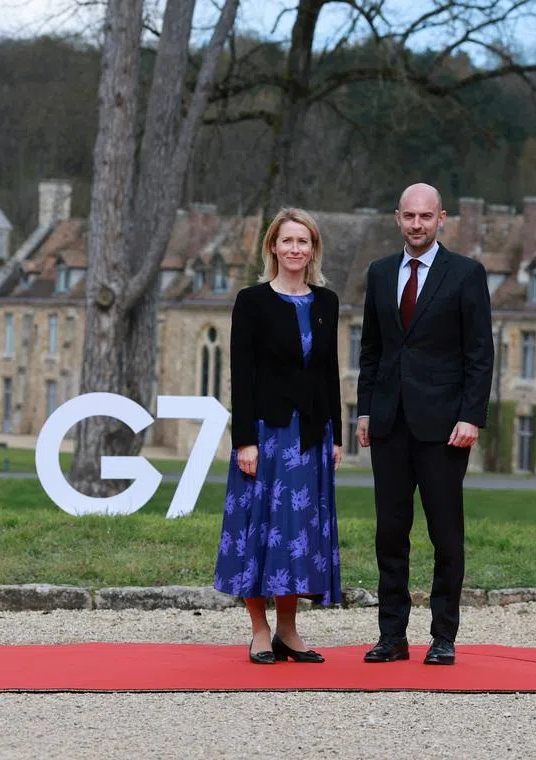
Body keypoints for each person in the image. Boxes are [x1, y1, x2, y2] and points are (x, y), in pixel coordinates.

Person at [355, 183, 493, 666]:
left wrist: (471, 416)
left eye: (426, 216)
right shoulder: (379, 273)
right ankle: (392, 636)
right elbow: (371, 350)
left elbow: (479, 353)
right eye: (409, 216)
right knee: (390, 534)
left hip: (445, 427)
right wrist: (365, 410)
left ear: (441, 219)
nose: (417, 224)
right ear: (397, 218)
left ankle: (443, 636)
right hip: (389, 423)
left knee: (445, 535)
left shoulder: (466, 274)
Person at [214, 207, 343, 665]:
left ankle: (288, 630)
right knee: (259, 528)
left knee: (296, 532)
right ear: (272, 246)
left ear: (313, 249)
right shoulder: (252, 302)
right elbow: (241, 374)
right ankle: (260, 630)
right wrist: (243, 440)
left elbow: (329, 372)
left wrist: (336, 435)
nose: (295, 249)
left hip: (311, 435)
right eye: (287, 240)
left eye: (303, 241)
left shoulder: (326, 302)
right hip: (266, 435)